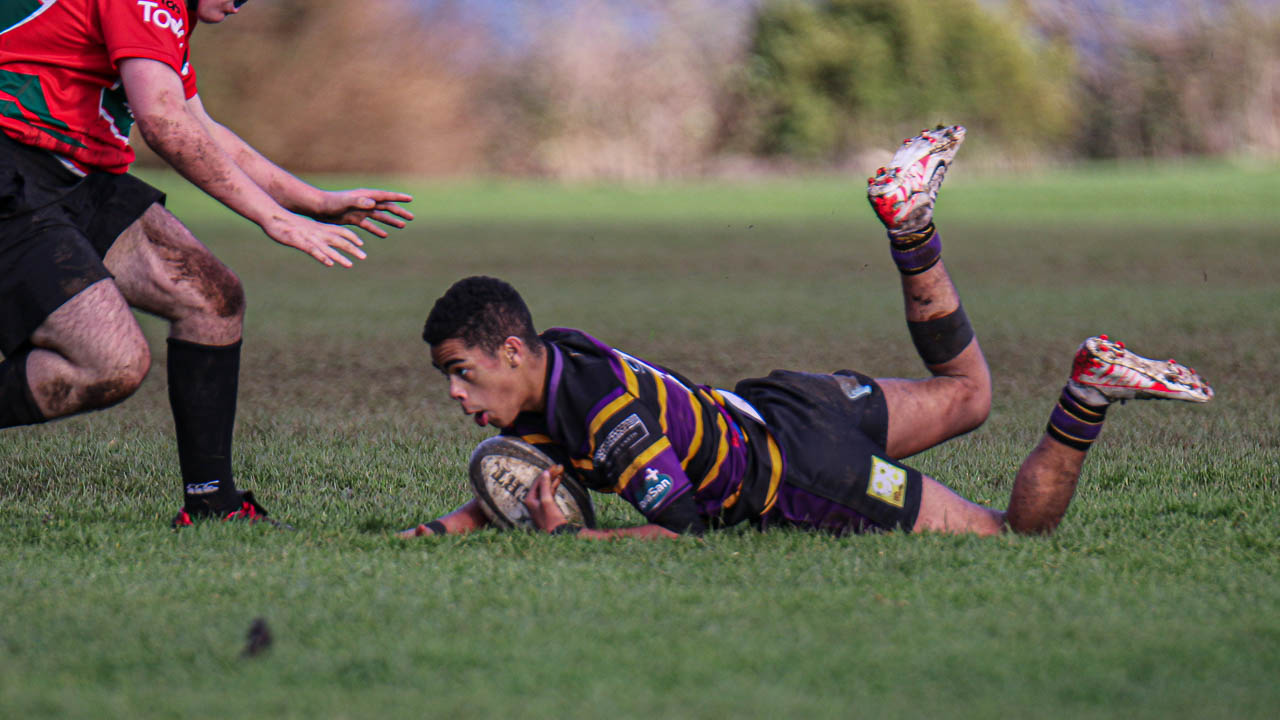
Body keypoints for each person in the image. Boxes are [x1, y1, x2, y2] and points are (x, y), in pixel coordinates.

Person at [400, 125, 1212, 540]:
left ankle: (1087, 394)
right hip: (782, 404)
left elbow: (682, 531)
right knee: (969, 395)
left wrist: (574, 543)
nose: (456, 393)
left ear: (511, 350)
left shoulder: (605, 418)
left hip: (806, 473)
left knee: (1012, 537)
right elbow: (534, 468)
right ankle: (909, 226)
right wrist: (437, 530)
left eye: (461, 371)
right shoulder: (560, 358)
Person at [0, 0, 414, 526]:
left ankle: (213, 505)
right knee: (109, 364)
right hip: (13, 164)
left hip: (74, 176)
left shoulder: (169, 13)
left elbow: (199, 125)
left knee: (212, 299)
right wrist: (273, 219)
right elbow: (163, 122)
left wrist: (310, 200)